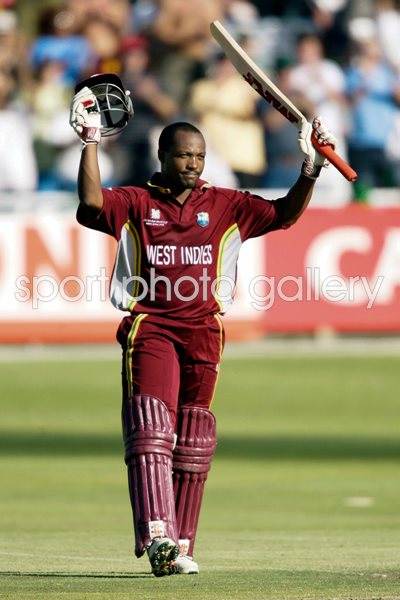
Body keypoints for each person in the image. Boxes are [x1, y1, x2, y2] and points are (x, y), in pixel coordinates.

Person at [69, 82, 336, 577]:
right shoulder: (133, 202)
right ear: (163, 156)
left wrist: (310, 169)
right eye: (184, 156)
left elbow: (283, 215)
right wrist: (90, 140)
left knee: (193, 438)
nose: (193, 164)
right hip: (151, 325)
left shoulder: (227, 204)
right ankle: (157, 536)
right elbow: (89, 205)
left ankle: (184, 543)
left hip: (205, 329)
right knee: (152, 430)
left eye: (199, 156)